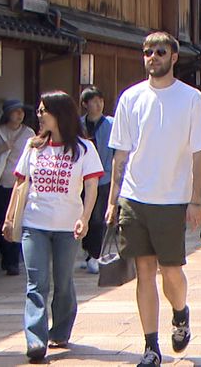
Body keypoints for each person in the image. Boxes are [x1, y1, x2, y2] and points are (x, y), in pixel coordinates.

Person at [105, 32, 201, 367]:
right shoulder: (130, 98)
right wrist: (112, 200)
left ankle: (180, 313)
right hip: (134, 197)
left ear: (174, 57)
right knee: (144, 270)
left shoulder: (191, 99)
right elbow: (120, 154)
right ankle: (151, 347)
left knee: (171, 271)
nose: (153, 57)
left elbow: (199, 153)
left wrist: (195, 200)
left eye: (160, 51)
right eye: (147, 52)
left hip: (172, 198)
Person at [5, 91, 103, 363]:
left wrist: (84, 217)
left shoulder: (84, 148)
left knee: (62, 281)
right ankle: (36, 340)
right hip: (34, 223)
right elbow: (21, 183)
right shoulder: (33, 146)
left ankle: (60, 330)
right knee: (36, 283)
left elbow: (92, 187)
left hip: (67, 226)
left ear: (59, 114)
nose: (38, 115)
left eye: (42, 111)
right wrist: (10, 217)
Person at [0, 98, 35, 275]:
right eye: (15, 111)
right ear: (7, 114)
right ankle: (6, 256)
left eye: (22, 111)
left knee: (20, 220)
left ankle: (13, 260)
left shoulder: (29, 133)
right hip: (1, 183)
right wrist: (2, 148)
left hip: (21, 184)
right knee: (0, 222)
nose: (20, 114)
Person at [79, 87, 114, 274]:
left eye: (101, 100)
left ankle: (95, 255)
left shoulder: (111, 124)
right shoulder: (78, 125)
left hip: (104, 177)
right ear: (85, 104)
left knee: (98, 218)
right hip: (81, 178)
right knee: (84, 215)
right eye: (94, 101)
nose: (99, 104)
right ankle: (88, 251)